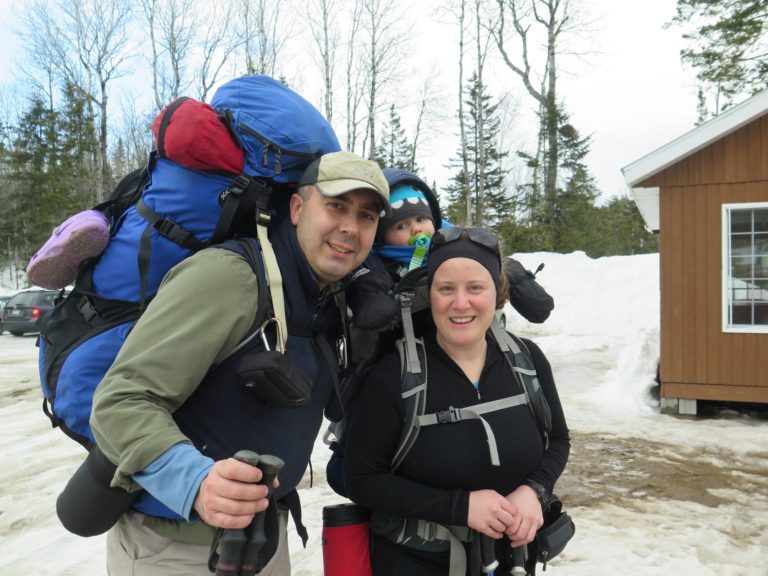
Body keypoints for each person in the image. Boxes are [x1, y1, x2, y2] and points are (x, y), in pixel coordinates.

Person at [88, 151, 390, 575]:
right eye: (336, 206)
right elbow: (120, 400)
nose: (350, 228)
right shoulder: (231, 277)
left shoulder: (327, 296)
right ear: (298, 208)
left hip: (262, 539)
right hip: (175, 548)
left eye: (367, 216)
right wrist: (194, 481)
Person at [343, 227, 570, 575]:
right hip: (414, 562)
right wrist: (460, 507)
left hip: (512, 561)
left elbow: (557, 440)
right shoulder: (395, 376)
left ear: (497, 293)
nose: (460, 303)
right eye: (446, 288)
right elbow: (360, 478)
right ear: (429, 294)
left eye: (475, 288)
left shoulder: (527, 360)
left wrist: (534, 490)